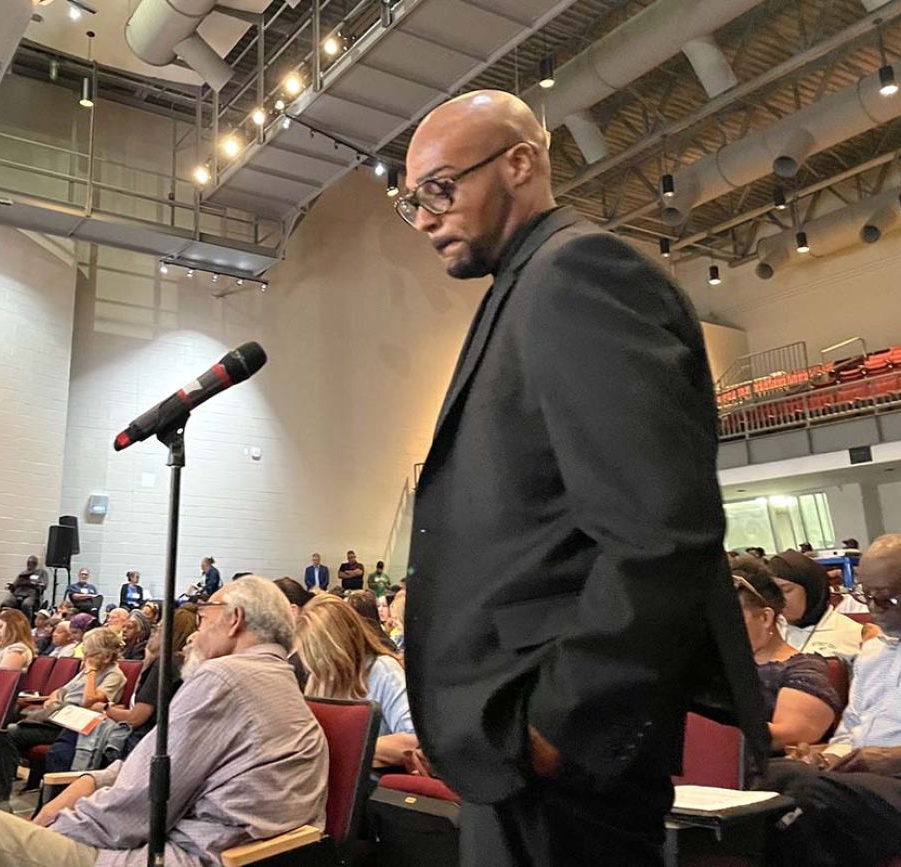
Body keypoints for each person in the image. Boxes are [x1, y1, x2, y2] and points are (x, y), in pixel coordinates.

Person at [400, 90, 767, 867]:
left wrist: (558, 726)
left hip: (556, 751)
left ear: (521, 163)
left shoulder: (579, 271)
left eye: (439, 188)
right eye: (414, 202)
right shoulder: (527, 282)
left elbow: (661, 528)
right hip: (515, 747)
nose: (426, 217)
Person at [0, 576, 327, 867]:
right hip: (184, 843)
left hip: (165, 857)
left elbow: (135, 809)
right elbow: (159, 763)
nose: (196, 631)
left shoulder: (226, 676)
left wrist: (56, 824)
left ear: (234, 620)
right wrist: (91, 782)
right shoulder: (277, 680)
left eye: (205, 615)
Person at [761, 534, 901, 866]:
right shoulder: (873, 650)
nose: (873, 609)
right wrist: (829, 757)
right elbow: (852, 729)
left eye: (886, 599)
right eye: (864, 595)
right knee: (765, 777)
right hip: (862, 782)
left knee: (804, 794)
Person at [49, 607, 200, 773]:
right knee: (66, 740)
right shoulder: (174, 664)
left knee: (66, 745)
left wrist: (106, 708)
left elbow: (135, 718)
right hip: (154, 739)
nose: (152, 634)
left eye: (157, 630)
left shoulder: (165, 665)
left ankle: (64, 786)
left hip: (140, 741)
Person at [0, 627, 126, 797]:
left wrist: (91, 670)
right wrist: (53, 698)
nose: (85, 654)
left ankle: (0, 795)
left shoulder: (114, 675)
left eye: (90, 652)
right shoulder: (85, 671)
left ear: (104, 655)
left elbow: (89, 701)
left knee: (9, 733)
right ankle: (4, 787)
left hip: (76, 727)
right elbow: (61, 691)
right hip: (59, 716)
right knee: (6, 730)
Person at [731, 558, 841, 749]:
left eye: (731, 618)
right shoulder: (716, 667)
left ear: (765, 617)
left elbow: (791, 733)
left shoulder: (803, 670)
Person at [297, 594, 418, 766]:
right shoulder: (319, 677)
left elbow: (414, 740)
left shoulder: (383, 670)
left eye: (323, 654)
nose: (318, 665)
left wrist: (350, 749)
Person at [769, 549, 877, 659]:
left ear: (811, 589)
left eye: (786, 590)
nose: (777, 599)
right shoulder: (768, 634)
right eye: (772, 592)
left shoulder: (855, 635)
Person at [345, 588, 400, 654]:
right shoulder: (384, 639)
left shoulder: (375, 645)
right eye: (378, 606)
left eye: (384, 606)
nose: (380, 609)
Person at [1, 555, 48, 622]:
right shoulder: (22, 573)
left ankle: (27, 623)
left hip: (32, 595)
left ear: (35, 564)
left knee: (26, 604)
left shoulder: (41, 573)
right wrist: (12, 586)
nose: (30, 564)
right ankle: (4, 621)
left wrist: (35, 583)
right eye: (28, 563)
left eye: (32, 563)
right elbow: (15, 584)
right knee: (5, 603)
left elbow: (44, 585)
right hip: (18, 594)